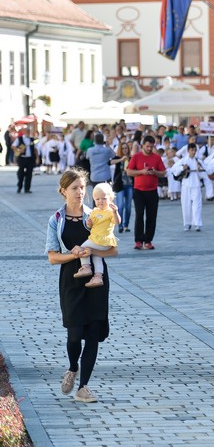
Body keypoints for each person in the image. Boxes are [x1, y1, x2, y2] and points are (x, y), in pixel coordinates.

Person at [46, 168, 118, 403]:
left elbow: (113, 250)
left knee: (93, 334)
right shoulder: (56, 219)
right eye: (74, 188)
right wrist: (74, 254)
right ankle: (72, 367)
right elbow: (52, 257)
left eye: (82, 187)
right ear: (63, 191)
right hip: (71, 279)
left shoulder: (96, 214)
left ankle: (84, 387)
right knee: (74, 334)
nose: (80, 192)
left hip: (96, 280)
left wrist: (91, 252)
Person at [74, 183, 120, 288]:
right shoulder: (95, 211)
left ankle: (86, 267)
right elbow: (90, 226)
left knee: (83, 247)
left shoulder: (110, 212)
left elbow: (117, 222)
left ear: (111, 199)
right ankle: (98, 277)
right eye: (97, 199)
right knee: (97, 256)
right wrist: (89, 223)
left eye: (104, 199)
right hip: (97, 240)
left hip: (103, 240)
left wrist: (115, 212)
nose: (100, 201)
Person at [126, 135, 167, 250]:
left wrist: (155, 172)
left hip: (152, 191)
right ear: (142, 145)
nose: (149, 149)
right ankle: (138, 240)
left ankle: (148, 240)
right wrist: (141, 172)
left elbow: (163, 172)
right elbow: (129, 171)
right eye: (147, 146)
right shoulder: (136, 157)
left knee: (151, 216)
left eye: (151, 147)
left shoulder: (156, 158)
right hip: (139, 191)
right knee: (139, 215)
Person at [170, 143, 208, 232]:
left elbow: (205, 173)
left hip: (196, 185)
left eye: (195, 150)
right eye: (192, 150)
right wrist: (182, 168)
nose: (193, 152)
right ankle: (187, 223)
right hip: (186, 185)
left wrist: (199, 169)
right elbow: (173, 169)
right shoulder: (183, 160)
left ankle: (197, 223)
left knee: (197, 205)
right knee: (186, 205)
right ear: (188, 151)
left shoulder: (198, 161)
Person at [110, 142, 133, 233]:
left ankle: (126, 225)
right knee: (120, 206)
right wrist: (121, 160)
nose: (124, 150)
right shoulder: (117, 158)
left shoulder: (131, 158)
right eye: (123, 148)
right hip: (120, 185)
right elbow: (110, 162)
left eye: (126, 148)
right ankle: (120, 225)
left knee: (128, 207)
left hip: (129, 185)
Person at [12, 126, 37, 193]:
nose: (28, 132)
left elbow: (35, 149)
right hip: (22, 158)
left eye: (28, 131)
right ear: (23, 132)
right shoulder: (19, 139)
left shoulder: (32, 139)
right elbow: (13, 146)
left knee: (29, 174)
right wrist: (18, 150)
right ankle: (19, 187)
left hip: (30, 159)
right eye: (26, 131)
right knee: (21, 173)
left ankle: (27, 188)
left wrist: (37, 158)